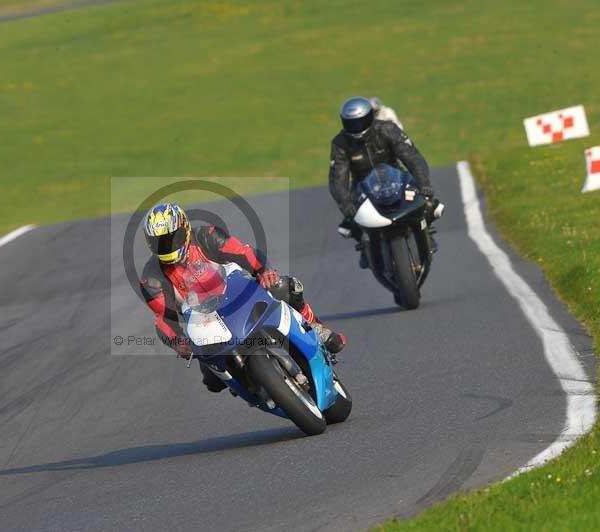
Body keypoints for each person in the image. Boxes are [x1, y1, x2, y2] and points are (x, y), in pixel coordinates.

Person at [139, 202, 347, 392]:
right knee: (212, 381)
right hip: (207, 324)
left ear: (184, 229)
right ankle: (252, 387)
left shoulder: (206, 236)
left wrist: (263, 270)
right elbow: (163, 317)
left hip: (240, 295)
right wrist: (177, 341)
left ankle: (316, 328)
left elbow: (243, 252)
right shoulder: (151, 277)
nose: (167, 246)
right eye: (160, 243)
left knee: (286, 287)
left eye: (170, 239)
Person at [328, 96, 439, 267]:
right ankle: (366, 249)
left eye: (360, 121)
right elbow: (338, 177)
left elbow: (412, 157)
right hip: (363, 187)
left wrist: (424, 183)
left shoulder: (387, 129)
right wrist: (346, 204)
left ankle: (426, 234)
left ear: (370, 117)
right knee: (351, 223)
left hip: (396, 178)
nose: (356, 127)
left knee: (430, 204)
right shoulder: (340, 144)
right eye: (352, 123)